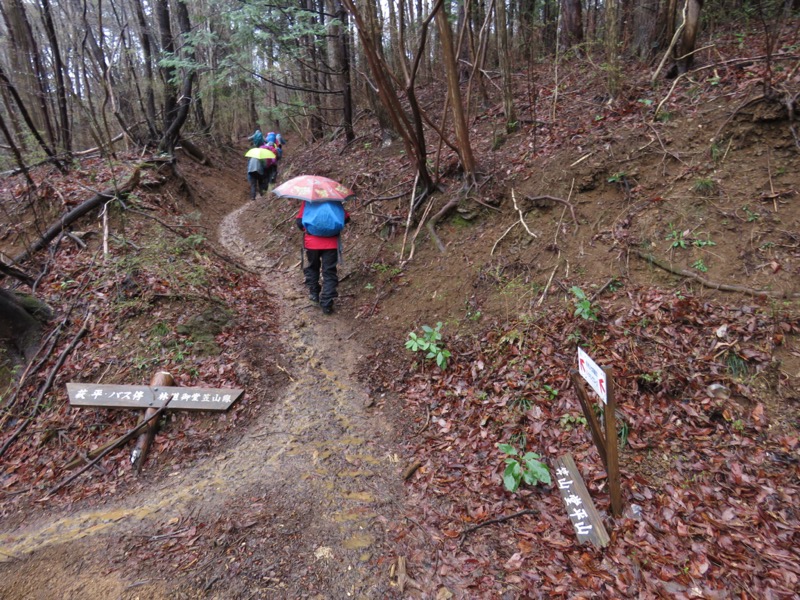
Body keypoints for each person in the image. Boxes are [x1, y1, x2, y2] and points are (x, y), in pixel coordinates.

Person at [296, 201, 350, 314]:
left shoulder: (308, 200)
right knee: (329, 272)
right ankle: (327, 304)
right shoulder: (335, 200)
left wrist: (310, 228)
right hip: (331, 244)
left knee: (312, 267)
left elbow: (299, 223)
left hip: (311, 243)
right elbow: (346, 219)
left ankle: (314, 293)